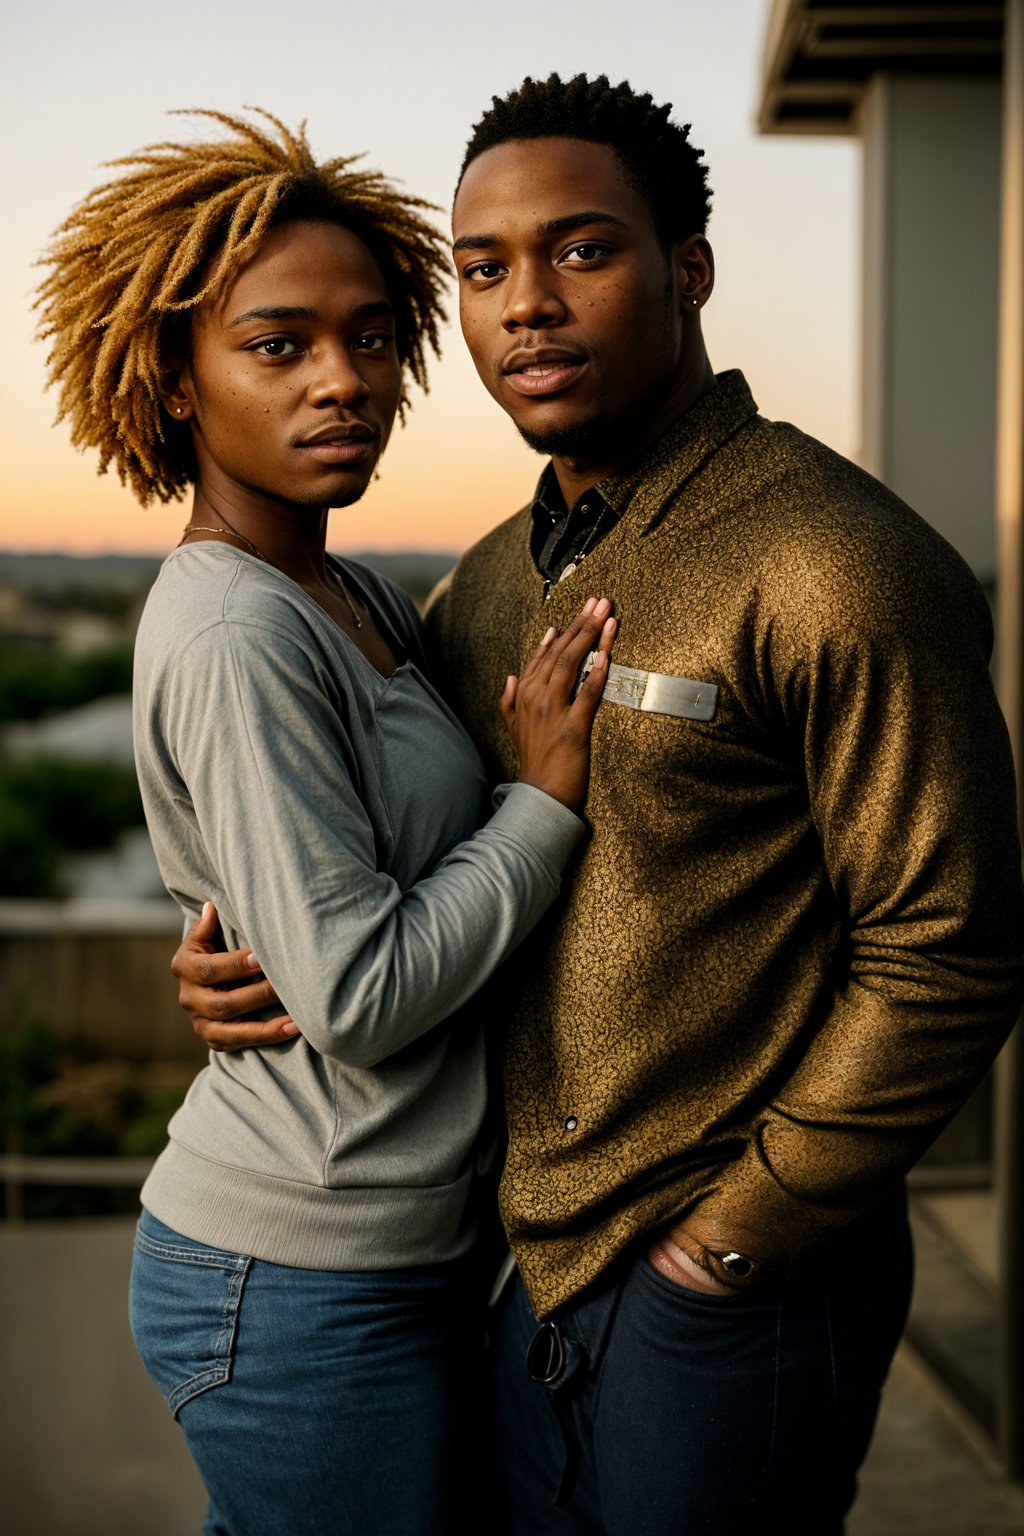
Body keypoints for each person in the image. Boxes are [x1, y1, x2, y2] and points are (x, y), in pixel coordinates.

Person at [173, 77, 1024, 1534]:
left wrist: (740, 1240)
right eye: (484, 268)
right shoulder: (485, 582)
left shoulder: (838, 561)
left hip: (725, 1283)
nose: (526, 307)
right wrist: (224, 950)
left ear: (686, 268)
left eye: (582, 251)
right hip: (512, 1266)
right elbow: (382, 863)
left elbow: (947, 944)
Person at [35, 107, 617, 1536]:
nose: (343, 382)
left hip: (388, 1259)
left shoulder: (343, 596)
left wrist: (239, 932)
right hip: (294, 1278)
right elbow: (358, 992)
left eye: (369, 337)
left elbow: (324, 899)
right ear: (175, 380)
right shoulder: (239, 627)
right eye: (278, 345)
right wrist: (545, 802)